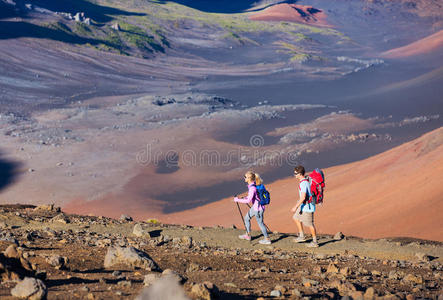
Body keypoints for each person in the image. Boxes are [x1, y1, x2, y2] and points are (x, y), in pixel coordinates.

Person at [234, 171, 271, 245]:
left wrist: (237, 200)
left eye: (245, 177)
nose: (244, 178)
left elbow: (248, 200)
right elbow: (252, 197)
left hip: (258, 209)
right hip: (256, 207)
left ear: (249, 178)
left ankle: (267, 239)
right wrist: (243, 198)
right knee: (246, 218)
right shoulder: (253, 185)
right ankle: (248, 235)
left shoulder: (252, 188)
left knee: (260, 223)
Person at [291, 165, 319, 248]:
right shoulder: (305, 182)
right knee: (296, 218)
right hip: (304, 206)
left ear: (300, 174)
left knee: (310, 224)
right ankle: (302, 236)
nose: (294, 175)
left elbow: (303, 197)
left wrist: (295, 207)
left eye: (295, 173)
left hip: (307, 207)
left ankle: (315, 242)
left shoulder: (303, 183)